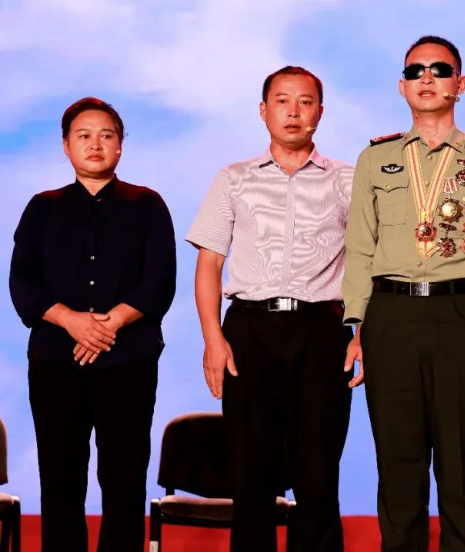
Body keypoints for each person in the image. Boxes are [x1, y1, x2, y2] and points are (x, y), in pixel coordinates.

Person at [343, 35, 465, 552]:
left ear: (459, 84)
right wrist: (357, 325)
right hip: (390, 316)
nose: (426, 78)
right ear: (402, 86)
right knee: (398, 465)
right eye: (415, 70)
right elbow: (360, 247)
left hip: (459, 314)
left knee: (463, 464)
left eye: (440, 70)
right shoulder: (375, 158)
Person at [187, 66, 356, 552]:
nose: (293, 112)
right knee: (251, 474)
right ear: (263, 111)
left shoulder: (348, 180)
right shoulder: (234, 179)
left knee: (318, 474)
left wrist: (362, 331)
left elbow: (368, 263)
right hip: (250, 329)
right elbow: (209, 263)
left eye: (305, 101)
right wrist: (213, 338)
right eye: (282, 101)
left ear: (320, 112)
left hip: (322, 331)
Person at [9, 97, 177, 552]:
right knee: (60, 482)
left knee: (124, 482)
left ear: (121, 145)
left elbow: (159, 281)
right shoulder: (42, 208)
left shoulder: (148, 205)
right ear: (66, 145)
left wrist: (109, 324)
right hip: (55, 364)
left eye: (106, 135)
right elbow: (22, 282)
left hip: (129, 363)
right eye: (83, 135)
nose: (95, 144)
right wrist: (70, 321)